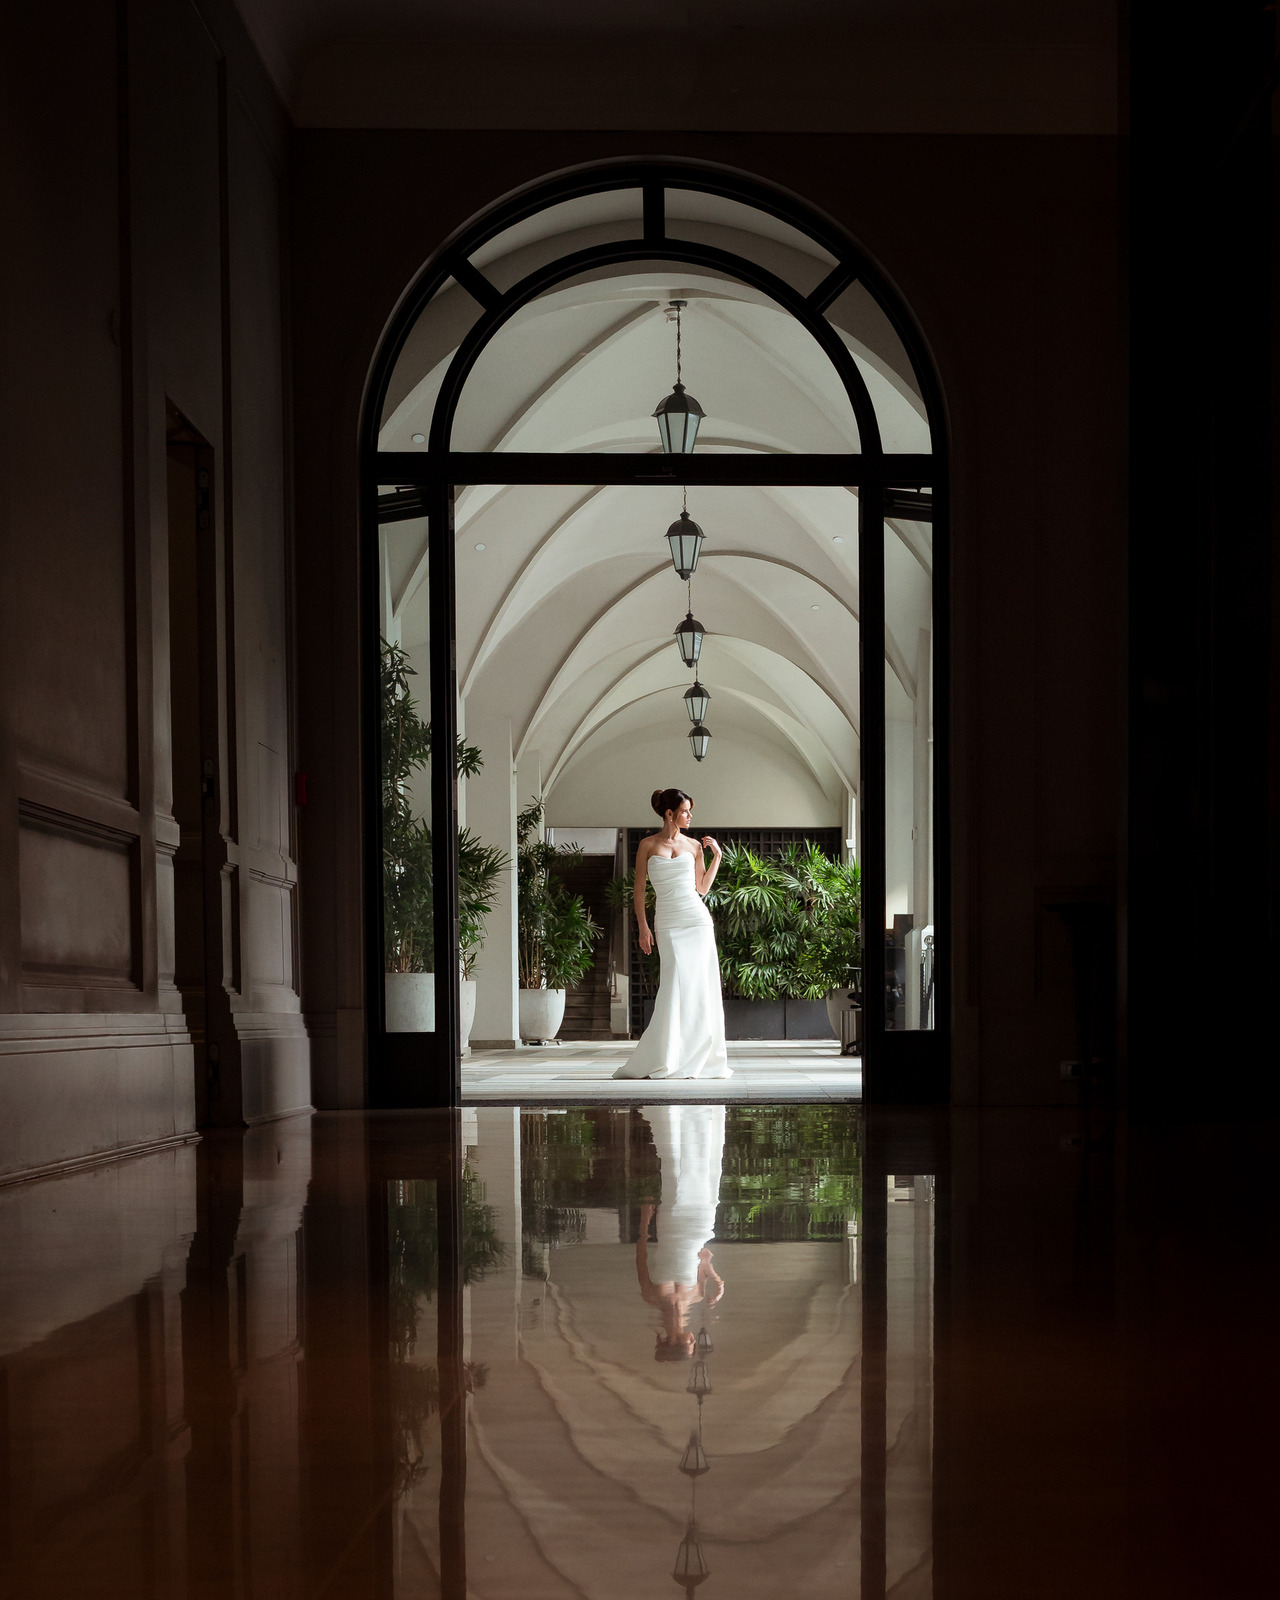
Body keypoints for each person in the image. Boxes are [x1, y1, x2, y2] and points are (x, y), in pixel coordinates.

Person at [613, 788, 731, 1080]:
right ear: (669, 813)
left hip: (697, 921)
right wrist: (642, 926)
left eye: (690, 811)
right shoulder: (647, 845)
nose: (690, 816)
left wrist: (716, 856)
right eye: (685, 811)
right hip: (667, 922)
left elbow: (701, 888)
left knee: (700, 987)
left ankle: (700, 1056)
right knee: (674, 984)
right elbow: (638, 890)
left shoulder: (694, 846)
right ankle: (667, 1055)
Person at [634, 1106, 726, 1359]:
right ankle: (701, 1117)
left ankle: (676, 1115)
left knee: (674, 1170)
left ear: (676, 1342)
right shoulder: (696, 1295)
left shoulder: (651, 1296)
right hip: (698, 1227)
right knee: (700, 1173)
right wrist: (718, 1283)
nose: (694, 1341)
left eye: (691, 1345)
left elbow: (641, 1254)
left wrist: (645, 1220)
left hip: (671, 1229)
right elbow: (704, 1259)